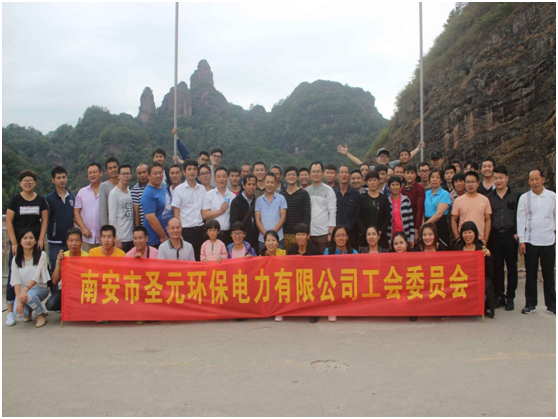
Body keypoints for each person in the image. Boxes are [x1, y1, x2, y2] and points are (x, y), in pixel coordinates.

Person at [5, 170, 49, 327]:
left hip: (34, 242)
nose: (28, 183)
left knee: (39, 271)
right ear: (20, 183)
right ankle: (10, 312)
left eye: (31, 180)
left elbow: (44, 221)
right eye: (25, 180)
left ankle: (36, 306)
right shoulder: (15, 200)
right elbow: (8, 221)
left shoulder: (41, 200)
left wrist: (41, 239)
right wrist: (14, 242)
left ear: (35, 183)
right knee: (13, 276)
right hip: (20, 243)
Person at [517, 169, 556, 316]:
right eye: (531, 180)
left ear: (543, 179)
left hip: (548, 241)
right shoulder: (524, 198)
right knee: (531, 274)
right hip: (531, 242)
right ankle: (530, 304)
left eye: (537, 179)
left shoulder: (552, 197)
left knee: (549, 275)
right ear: (528, 182)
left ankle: (552, 305)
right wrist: (522, 240)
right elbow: (521, 220)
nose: (534, 182)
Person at [486, 166, 521, 310]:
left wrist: (518, 233)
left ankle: (510, 296)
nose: (498, 181)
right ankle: (499, 296)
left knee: (511, 267)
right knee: (497, 267)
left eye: (501, 178)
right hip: (495, 235)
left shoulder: (516, 196)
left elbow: (520, 216)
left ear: (507, 178)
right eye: (495, 178)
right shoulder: (489, 197)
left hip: (510, 235)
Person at [8, 228, 50, 328]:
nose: (28, 240)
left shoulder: (42, 255)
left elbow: (36, 276)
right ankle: (30, 310)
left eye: (31, 238)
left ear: (35, 241)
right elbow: (15, 281)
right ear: (20, 242)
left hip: (40, 288)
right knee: (19, 315)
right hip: (24, 292)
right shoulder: (16, 259)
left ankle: (41, 315)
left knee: (29, 296)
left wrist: (24, 291)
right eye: (25, 238)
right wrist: (19, 300)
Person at [453, 221, 496, 319]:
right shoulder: (457, 247)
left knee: (483, 298)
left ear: (475, 233)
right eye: (464, 233)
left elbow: (489, 272)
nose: (467, 235)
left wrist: (488, 256)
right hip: (461, 282)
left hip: (476, 283)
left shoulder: (481, 248)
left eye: (470, 232)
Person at [171, 159, 206, 261]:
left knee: (199, 258)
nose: (192, 172)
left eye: (194, 169)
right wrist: (179, 232)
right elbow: (176, 212)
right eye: (189, 169)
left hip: (200, 229)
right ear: (184, 172)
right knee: (186, 259)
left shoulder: (202, 189)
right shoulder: (179, 189)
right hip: (186, 230)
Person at [48, 227, 89, 312]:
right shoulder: (63, 256)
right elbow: (55, 280)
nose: (74, 243)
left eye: (77, 240)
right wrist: (59, 263)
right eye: (71, 240)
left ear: (81, 242)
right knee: (50, 304)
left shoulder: (87, 257)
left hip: (83, 291)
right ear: (67, 242)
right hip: (67, 290)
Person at [324, 224, 358, 322]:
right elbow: (326, 270)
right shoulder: (328, 251)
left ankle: (349, 305)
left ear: (347, 237)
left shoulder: (354, 252)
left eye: (343, 235)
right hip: (334, 281)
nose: (341, 238)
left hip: (348, 282)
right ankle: (332, 309)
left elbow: (357, 271)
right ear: (334, 238)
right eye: (338, 236)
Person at [45, 166, 75, 272]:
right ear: (53, 180)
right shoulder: (48, 199)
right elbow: (45, 220)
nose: (62, 180)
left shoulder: (72, 197)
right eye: (58, 178)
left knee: (71, 271)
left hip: (71, 241)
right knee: (55, 270)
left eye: (63, 177)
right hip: (55, 242)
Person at [451, 171, 492, 245]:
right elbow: (453, 220)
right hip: (464, 239)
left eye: (473, 182)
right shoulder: (458, 201)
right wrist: (457, 237)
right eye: (468, 182)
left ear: (478, 183)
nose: (470, 184)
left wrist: (486, 239)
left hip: (480, 239)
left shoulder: (485, 200)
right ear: (465, 184)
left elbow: (488, 220)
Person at [306, 162, 337, 254]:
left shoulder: (329, 190)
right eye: (313, 171)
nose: (316, 174)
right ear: (310, 174)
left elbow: (332, 212)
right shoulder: (306, 191)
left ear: (323, 173)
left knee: (324, 260)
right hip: (309, 234)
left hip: (323, 234)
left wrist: (330, 233)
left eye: (318, 171)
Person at [141, 162, 173, 248]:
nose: (158, 175)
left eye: (160, 172)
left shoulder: (162, 186)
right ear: (148, 176)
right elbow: (150, 218)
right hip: (156, 239)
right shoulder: (148, 193)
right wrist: (163, 236)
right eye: (155, 173)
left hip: (168, 234)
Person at [202, 166, 236, 246]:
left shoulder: (233, 196)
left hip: (228, 234)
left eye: (224, 176)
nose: (221, 179)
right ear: (215, 179)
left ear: (227, 178)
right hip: (212, 235)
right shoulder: (209, 195)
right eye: (219, 177)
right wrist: (220, 211)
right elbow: (205, 215)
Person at [255, 172, 288, 252]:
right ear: (264, 183)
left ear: (275, 183)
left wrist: (272, 235)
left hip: (278, 238)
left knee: (279, 260)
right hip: (263, 239)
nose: (269, 185)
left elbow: (283, 218)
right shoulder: (259, 200)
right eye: (267, 182)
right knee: (263, 259)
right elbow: (257, 220)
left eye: (272, 182)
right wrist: (266, 235)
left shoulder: (281, 199)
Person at [357, 170, 391, 249]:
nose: (372, 182)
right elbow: (358, 217)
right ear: (366, 182)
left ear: (378, 181)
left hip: (381, 237)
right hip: (365, 237)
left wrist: (380, 232)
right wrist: (366, 233)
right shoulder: (361, 198)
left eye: (375, 180)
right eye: (370, 180)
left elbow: (387, 218)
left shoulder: (384, 198)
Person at [281, 166, 311, 250]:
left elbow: (307, 215)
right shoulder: (282, 195)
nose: (291, 177)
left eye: (293, 174)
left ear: (297, 177)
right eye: (288, 175)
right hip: (285, 234)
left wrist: (305, 232)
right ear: (285, 177)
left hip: (300, 234)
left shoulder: (304, 194)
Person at [75, 162, 103, 252]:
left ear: (101, 173)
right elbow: (76, 212)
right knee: (88, 259)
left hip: (104, 237)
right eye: (90, 173)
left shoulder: (107, 190)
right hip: (87, 237)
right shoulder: (82, 192)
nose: (92, 175)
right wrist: (83, 228)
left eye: (94, 172)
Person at [108, 164, 134, 252]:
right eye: (123, 174)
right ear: (118, 175)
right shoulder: (114, 193)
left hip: (131, 238)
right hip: (121, 239)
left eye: (128, 173)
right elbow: (112, 219)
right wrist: (117, 239)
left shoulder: (129, 192)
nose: (126, 176)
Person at [334, 165, 361, 249]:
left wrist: (346, 229)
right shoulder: (332, 192)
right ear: (338, 175)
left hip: (351, 234)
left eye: (346, 172)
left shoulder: (355, 193)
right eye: (341, 172)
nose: (344, 175)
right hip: (336, 234)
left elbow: (357, 215)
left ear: (349, 175)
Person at [230, 174, 259, 251]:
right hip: (242, 240)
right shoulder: (236, 202)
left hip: (255, 239)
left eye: (253, 184)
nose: (251, 187)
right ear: (243, 185)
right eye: (249, 184)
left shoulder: (257, 201)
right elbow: (234, 222)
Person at [337, 144, 422, 170]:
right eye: (381, 156)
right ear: (377, 159)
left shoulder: (393, 165)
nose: (383, 158)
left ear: (388, 158)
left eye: (385, 156)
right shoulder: (373, 169)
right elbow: (360, 163)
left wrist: (417, 149)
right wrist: (347, 154)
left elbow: (406, 157)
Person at [424, 169, 451, 247]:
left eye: (437, 177)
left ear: (441, 180)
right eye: (432, 177)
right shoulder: (426, 193)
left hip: (439, 224)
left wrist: (425, 226)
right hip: (426, 223)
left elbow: (439, 214)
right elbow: (423, 211)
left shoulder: (444, 194)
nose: (434, 179)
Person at [386, 176, 415, 248]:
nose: (395, 187)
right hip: (391, 237)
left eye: (397, 184)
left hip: (405, 236)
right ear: (389, 187)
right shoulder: (386, 201)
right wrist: (388, 241)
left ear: (401, 186)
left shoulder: (406, 200)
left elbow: (411, 221)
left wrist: (411, 238)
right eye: (393, 185)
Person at [401, 164, 425, 241]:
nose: (409, 175)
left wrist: (416, 229)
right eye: (407, 173)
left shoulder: (419, 188)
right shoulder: (401, 189)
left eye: (412, 173)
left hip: (414, 225)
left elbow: (420, 210)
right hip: (403, 225)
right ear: (404, 174)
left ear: (416, 174)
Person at [98, 156, 119, 227]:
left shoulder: (124, 185)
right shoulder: (103, 186)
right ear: (107, 171)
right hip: (111, 226)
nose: (113, 170)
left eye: (115, 167)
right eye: (110, 168)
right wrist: (106, 228)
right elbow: (103, 210)